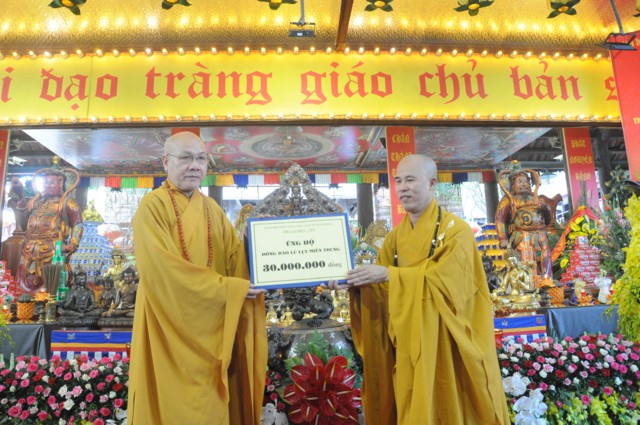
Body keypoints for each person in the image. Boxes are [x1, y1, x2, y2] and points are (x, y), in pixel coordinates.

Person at [329, 154, 509, 425]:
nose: (403, 188)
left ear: (432, 184)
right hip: (406, 345)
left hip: (446, 346)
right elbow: (381, 292)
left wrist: (389, 274)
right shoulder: (394, 239)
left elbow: (449, 286)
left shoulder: (456, 232)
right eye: (398, 181)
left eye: (410, 180)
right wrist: (354, 284)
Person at [127, 131, 267, 425]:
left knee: (211, 404)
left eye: (201, 159)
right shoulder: (152, 207)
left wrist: (256, 244)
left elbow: (234, 261)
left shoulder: (211, 208)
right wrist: (226, 289)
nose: (195, 166)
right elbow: (163, 271)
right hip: (167, 326)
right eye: (186, 158)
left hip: (211, 329)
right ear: (166, 162)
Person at [18, 157, 83, 292]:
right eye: (46, 183)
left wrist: (73, 243)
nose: (48, 185)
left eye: (52, 182)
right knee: (24, 283)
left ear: (61, 182)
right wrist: (22, 208)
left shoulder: (67, 202)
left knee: (51, 285)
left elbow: (77, 224)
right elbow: (24, 225)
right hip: (29, 249)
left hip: (53, 249)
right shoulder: (37, 202)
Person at [495, 169, 552, 278]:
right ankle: (528, 283)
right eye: (520, 182)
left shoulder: (536, 198)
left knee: (545, 259)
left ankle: (547, 280)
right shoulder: (509, 200)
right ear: (512, 185)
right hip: (522, 236)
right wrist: (502, 238)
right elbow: (500, 219)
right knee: (525, 262)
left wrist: (545, 208)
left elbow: (548, 218)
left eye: (526, 181)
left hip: (541, 234)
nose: (524, 184)